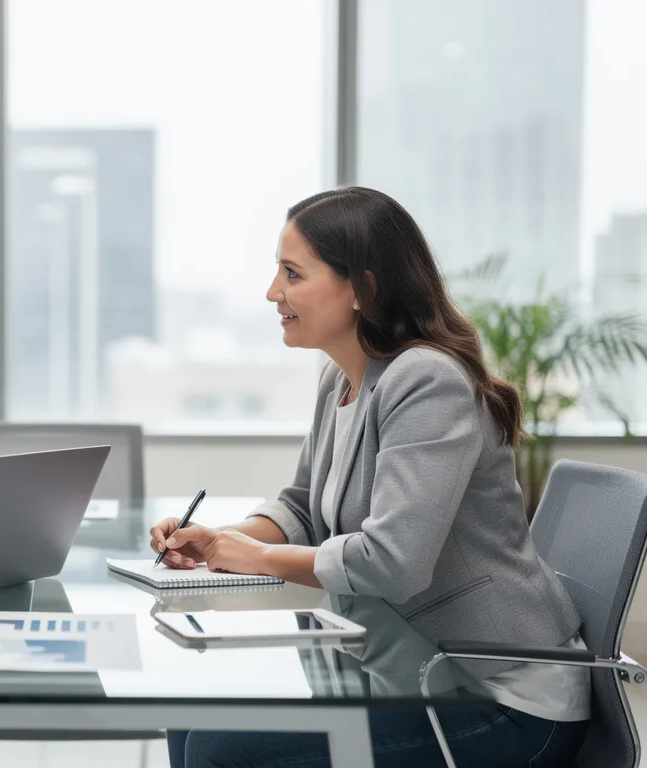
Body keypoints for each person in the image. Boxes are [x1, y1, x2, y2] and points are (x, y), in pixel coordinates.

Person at [151, 187, 589, 768]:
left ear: (361, 287)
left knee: (220, 748)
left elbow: (392, 560)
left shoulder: (428, 381)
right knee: (194, 718)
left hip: (501, 699)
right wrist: (221, 539)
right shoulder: (344, 380)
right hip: (415, 672)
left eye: (291, 273)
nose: (272, 292)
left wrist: (255, 557)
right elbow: (305, 506)